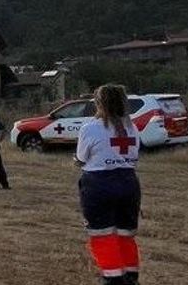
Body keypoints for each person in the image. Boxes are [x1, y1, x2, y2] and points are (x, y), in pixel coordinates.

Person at [75, 84, 142, 285]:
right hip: (128, 182)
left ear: (99, 104)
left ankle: (113, 278)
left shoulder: (90, 128)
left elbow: (81, 158)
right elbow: (134, 156)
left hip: (99, 184)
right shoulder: (132, 127)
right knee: (125, 234)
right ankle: (131, 277)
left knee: (102, 234)